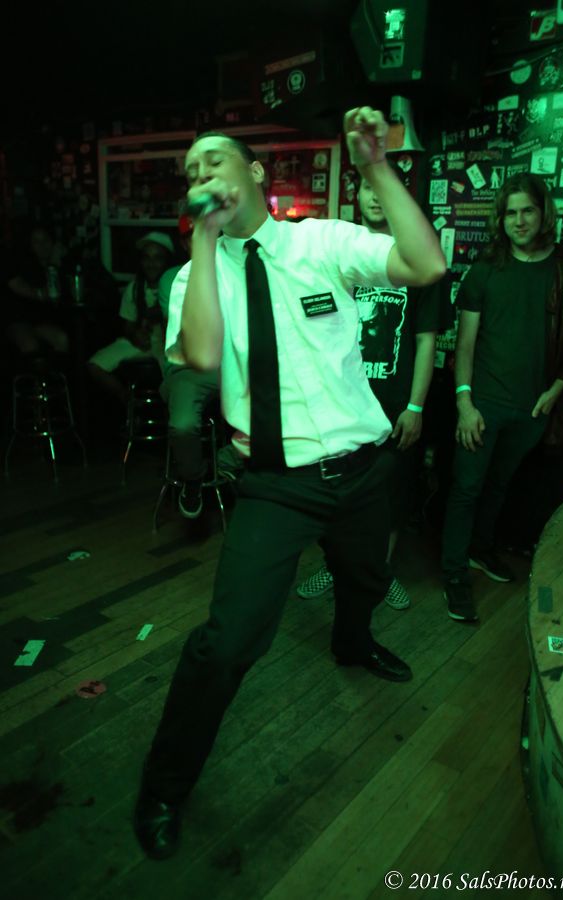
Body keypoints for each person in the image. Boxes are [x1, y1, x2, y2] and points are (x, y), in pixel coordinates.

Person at [133, 106, 447, 860]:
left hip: (363, 469)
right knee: (227, 643)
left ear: (255, 172)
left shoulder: (319, 243)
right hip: (276, 485)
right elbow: (201, 356)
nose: (202, 174)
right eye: (191, 171)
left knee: (364, 578)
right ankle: (165, 786)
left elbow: (425, 266)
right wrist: (203, 239)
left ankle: (352, 642)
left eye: (214, 160)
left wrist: (376, 168)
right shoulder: (194, 277)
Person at [442, 173, 563, 624]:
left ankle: (480, 550)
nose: (519, 221)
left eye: (527, 210)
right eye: (510, 213)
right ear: (501, 218)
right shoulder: (486, 269)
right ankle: (454, 574)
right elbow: (464, 345)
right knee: (466, 488)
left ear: (543, 212)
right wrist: (464, 403)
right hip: (482, 405)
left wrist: (556, 390)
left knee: (499, 484)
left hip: (534, 408)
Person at [296, 176, 452, 609]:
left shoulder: (418, 258)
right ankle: (335, 567)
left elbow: (425, 340)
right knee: (337, 492)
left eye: (384, 189)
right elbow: (316, 324)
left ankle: (379, 573)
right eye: (367, 188)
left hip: (395, 406)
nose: (376, 197)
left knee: (392, 494)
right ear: (358, 195)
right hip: (341, 402)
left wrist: (415, 405)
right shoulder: (335, 252)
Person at [158, 215, 220, 518]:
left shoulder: (238, 269)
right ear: (185, 243)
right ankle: (193, 479)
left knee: (284, 400)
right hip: (191, 368)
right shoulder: (177, 277)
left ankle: (228, 465)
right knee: (183, 424)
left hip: (235, 364)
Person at [87, 232, 174, 405]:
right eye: (147, 257)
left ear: (167, 261)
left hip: (167, 346)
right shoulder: (134, 288)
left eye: (157, 258)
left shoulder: (176, 287)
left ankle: (166, 411)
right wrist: (135, 334)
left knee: (176, 379)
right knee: (93, 366)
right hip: (138, 344)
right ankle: (130, 403)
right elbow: (127, 324)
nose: (151, 263)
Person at [4, 224, 70, 369]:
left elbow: (60, 297)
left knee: (62, 338)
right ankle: (36, 380)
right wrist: (54, 265)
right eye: (36, 242)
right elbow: (48, 293)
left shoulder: (61, 264)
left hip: (41, 320)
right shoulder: (26, 266)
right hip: (19, 319)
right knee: (30, 344)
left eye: (46, 240)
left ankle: (57, 377)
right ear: (30, 246)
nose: (42, 245)